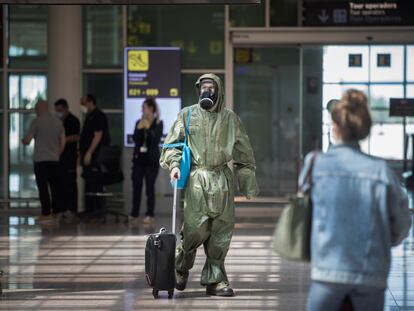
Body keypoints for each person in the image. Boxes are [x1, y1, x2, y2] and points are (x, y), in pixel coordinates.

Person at [299, 89, 412, 311]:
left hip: (328, 272)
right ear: (364, 129)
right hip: (371, 272)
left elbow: (305, 212)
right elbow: (401, 225)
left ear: (335, 127)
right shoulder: (381, 171)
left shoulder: (316, 165)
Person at [160, 73, 259, 297]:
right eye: (204, 87)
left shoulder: (230, 119)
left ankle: (216, 280)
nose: (207, 91)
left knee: (221, 232)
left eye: (211, 88)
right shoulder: (187, 115)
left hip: (222, 181)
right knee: (195, 229)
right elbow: (172, 145)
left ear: (219, 91)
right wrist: (174, 165)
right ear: (198, 90)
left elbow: (244, 153)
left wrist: (247, 184)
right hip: (198, 180)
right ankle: (180, 269)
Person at [22, 100, 66, 223]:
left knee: (43, 188)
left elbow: (28, 139)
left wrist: (24, 141)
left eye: (36, 109)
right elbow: (63, 141)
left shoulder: (36, 121)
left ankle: (46, 214)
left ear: (40, 109)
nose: (35, 111)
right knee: (55, 187)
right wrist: (58, 154)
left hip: (41, 160)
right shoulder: (58, 122)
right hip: (54, 160)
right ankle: (57, 212)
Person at [130, 97, 163, 225]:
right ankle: (134, 214)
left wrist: (148, 128)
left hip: (151, 161)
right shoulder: (139, 121)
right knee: (136, 187)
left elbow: (155, 140)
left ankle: (150, 214)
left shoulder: (159, 123)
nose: (142, 110)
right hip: (139, 159)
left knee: (150, 188)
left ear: (151, 109)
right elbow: (135, 138)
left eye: (144, 107)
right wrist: (139, 129)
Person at [79, 94, 110, 220]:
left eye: (84, 103)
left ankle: (96, 210)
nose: (82, 106)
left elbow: (98, 135)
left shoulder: (98, 115)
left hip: (96, 155)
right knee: (89, 181)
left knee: (95, 182)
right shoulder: (89, 116)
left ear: (91, 102)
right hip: (89, 154)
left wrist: (89, 152)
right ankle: (89, 209)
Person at [54, 98, 81, 220]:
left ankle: (71, 209)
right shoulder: (56, 121)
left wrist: (63, 140)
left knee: (70, 183)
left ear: (66, 109)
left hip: (69, 156)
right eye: (56, 110)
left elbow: (75, 137)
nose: (58, 112)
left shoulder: (73, 121)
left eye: (60, 110)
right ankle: (61, 209)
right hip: (57, 156)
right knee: (59, 183)